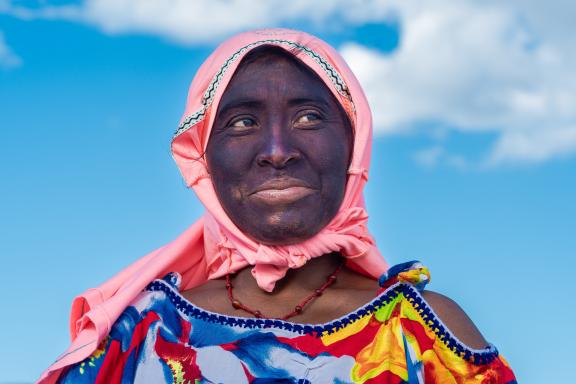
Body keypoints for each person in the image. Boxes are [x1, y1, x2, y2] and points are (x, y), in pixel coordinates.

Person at [39, 29, 516, 383]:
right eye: (242, 123)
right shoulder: (140, 335)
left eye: (309, 117)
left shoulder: (424, 335)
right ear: (203, 160)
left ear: (355, 146)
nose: (275, 149)